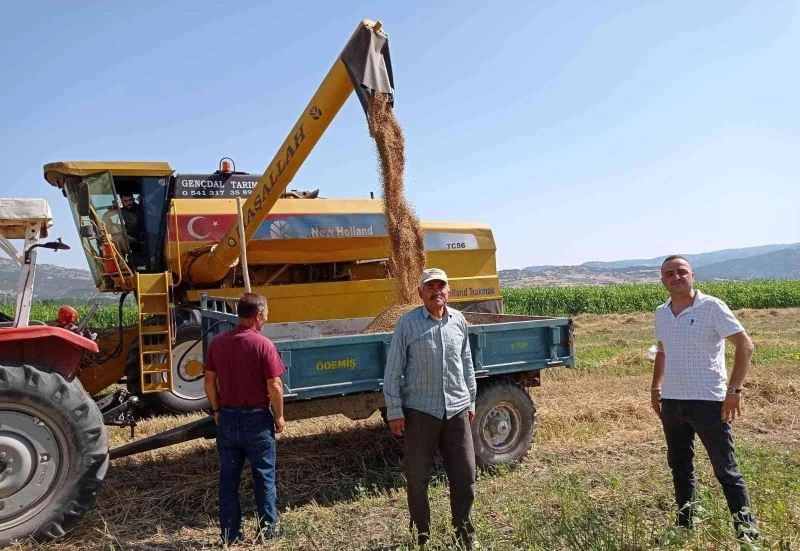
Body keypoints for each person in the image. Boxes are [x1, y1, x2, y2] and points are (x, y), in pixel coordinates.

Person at [651, 255, 757, 541]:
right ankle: (685, 525)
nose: (676, 277)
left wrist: (734, 390)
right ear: (663, 280)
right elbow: (661, 351)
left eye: (681, 272)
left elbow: (745, 347)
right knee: (680, 465)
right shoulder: (661, 313)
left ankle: (747, 536)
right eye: (669, 273)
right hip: (672, 401)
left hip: (709, 401)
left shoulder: (711, 307)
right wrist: (655, 388)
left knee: (726, 470)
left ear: (692, 275)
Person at [383, 268, 478, 550]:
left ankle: (465, 535)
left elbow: (467, 363)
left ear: (448, 290)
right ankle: (421, 536)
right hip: (421, 412)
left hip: (457, 411)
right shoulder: (408, 324)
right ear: (420, 293)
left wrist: (471, 401)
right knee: (417, 479)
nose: (437, 290)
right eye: (430, 286)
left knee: (465, 476)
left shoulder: (459, 321)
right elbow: (393, 370)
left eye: (441, 285)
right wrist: (394, 410)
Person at [203, 292, 286, 544]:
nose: (267, 317)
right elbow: (275, 384)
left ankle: (230, 536)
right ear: (259, 315)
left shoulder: (217, 343)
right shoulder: (263, 345)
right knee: (264, 478)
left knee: (228, 480)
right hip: (257, 421)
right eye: (267, 312)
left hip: (227, 419)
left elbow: (209, 382)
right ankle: (268, 534)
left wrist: (217, 410)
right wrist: (279, 416)